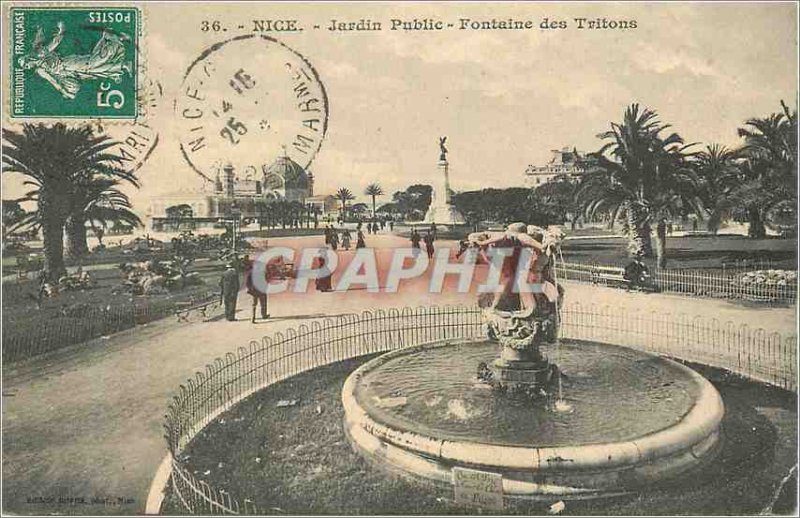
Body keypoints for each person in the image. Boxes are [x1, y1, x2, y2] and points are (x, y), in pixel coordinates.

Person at [244, 255, 269, 322]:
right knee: (263, 303)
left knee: (253, 304)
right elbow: (266, 281)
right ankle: (264, 315)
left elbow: (247, 282)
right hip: (261, 290)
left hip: (253, 291)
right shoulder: (262, 272)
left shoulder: (250, 272)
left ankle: (253, 317)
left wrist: (249, 289)